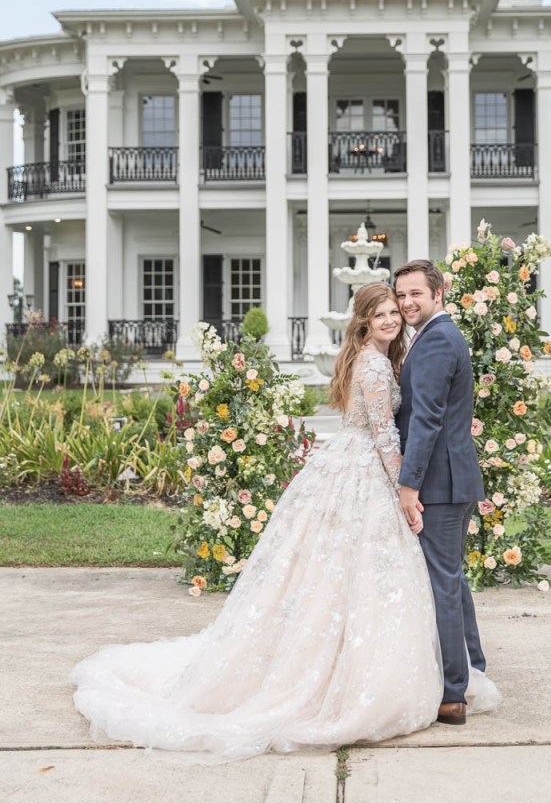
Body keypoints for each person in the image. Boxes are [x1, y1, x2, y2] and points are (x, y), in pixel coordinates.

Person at [71, 283, 500, 762]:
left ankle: (411, 665)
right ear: (362, 321)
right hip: (368, 472)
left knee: (343, 573)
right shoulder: (376, 364)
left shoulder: (368, 356)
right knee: (378, 574)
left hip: (349, 467)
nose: (391, 318)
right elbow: (383, 434)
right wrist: (406, 489)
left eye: (393, 311)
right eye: (380, 313)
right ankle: (370, 674)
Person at [394, 259, 490, 727]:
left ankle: (452, 695)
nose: (407, 302)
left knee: (441, 583)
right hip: (451, 479)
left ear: (438, 295)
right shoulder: (435, 336)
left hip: (440, 483)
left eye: (416, 293)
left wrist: (408, 486)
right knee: (451, 578)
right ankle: (471, 667)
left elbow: (426, 420)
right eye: (401, 294)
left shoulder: (435, 342)